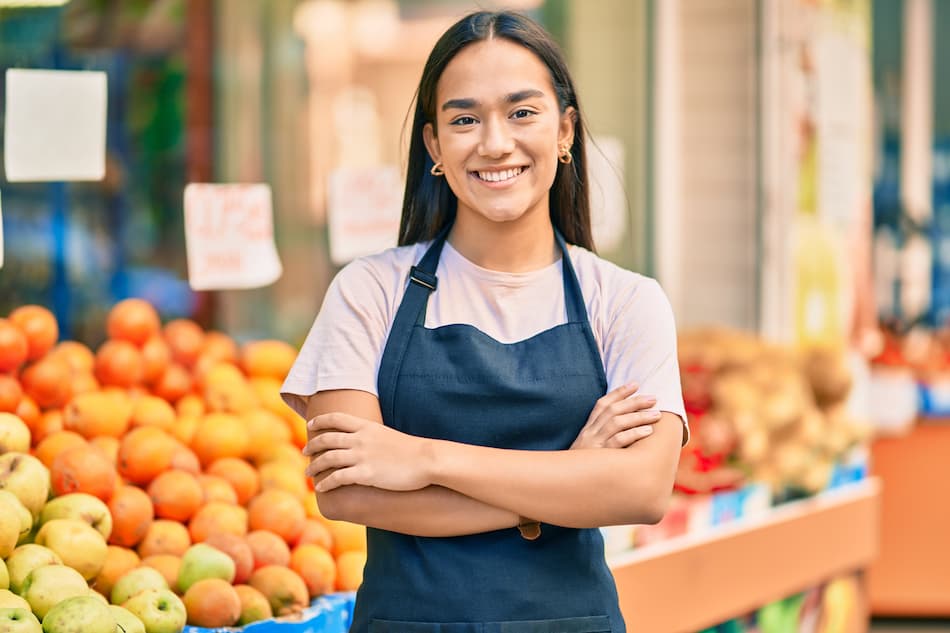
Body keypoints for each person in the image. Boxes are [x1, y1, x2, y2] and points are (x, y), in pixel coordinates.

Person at [281, 10, 688, 633]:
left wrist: (426, 461)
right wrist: (564, 484)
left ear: (565, 131)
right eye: (464, 119)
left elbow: (642, 491)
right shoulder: (369, 291)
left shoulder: (627, 301)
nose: (495, 142)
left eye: (522, 112)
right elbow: (348, 492)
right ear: (435, 147)